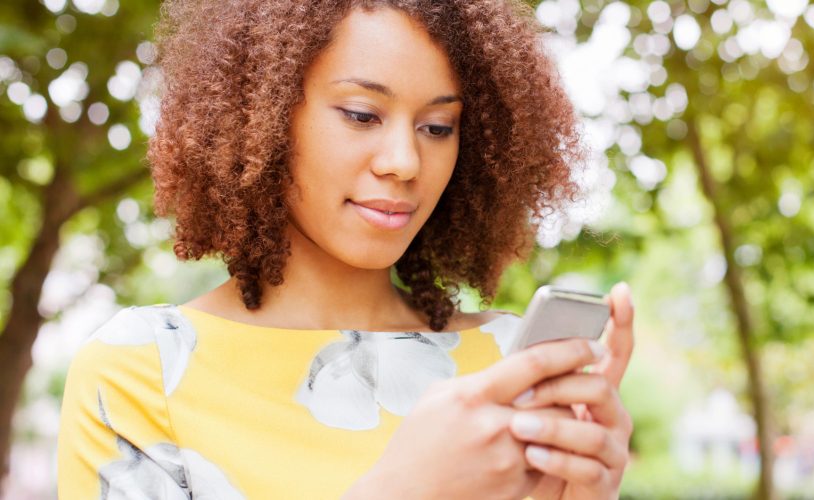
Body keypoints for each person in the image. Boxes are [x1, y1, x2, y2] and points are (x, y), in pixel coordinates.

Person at [56, 0, 635, 498]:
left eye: (437, 127)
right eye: (362, 115)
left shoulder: (509, 365)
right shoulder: (139, 371)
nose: (405, 163)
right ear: (263, 112)